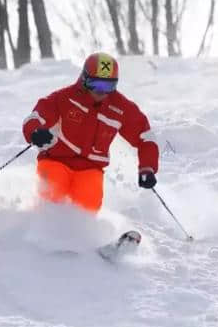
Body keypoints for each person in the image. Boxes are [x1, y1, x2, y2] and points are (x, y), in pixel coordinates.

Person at [22, 52, 159, 212]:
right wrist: (35, 132)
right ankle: (40, 227)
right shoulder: (64, 98)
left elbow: (145, 137)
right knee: (53, 195)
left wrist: (147, 168)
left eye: (108, 86)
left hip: (90, 168)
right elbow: (36, 116)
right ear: (84, 79)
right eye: (96, 85)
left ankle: (83, 234)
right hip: (56, 160)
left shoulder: (121, 108)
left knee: (87, 204)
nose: (101, 92)